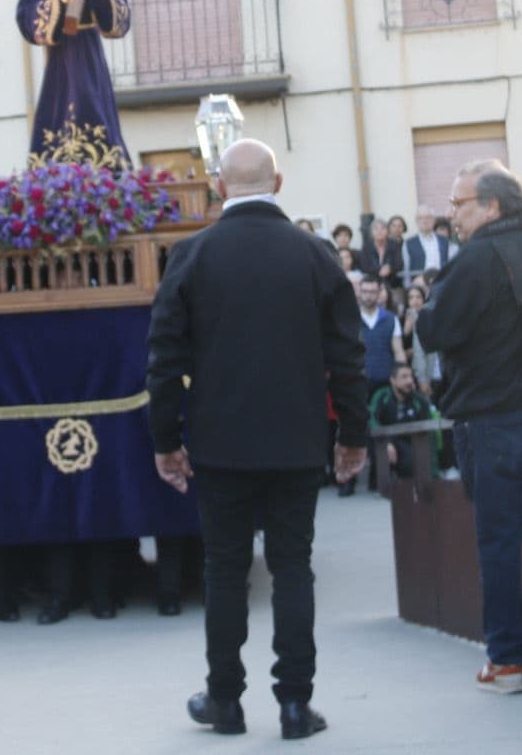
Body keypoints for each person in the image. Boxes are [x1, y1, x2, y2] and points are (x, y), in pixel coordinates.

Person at [146, 139, 366, 740]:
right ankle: (295, 704)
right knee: (294, 567)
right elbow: (348, 357)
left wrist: (166, 440)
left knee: (224, 570)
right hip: (297, 442)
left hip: (219, 445)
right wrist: (352, 435)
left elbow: (163, 359)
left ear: (220, 186)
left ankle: (225, 701)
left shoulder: (192, 256)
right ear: (279, 180)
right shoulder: (316, 255)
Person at [415, 158, 522, 695]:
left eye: (459, 204)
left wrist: (425, 307)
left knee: (497, 540)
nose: (452, 216)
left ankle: (507, 662)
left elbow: (434, 332)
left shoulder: (472, 261)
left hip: (491, 416)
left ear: (491, 205)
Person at [16, 0, 132, 165]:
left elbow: (119, 20)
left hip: (89, 56)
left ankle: (103, 163)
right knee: (57, 108)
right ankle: (54, 166)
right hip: (59, 59)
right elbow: (25, 15)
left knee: (91, 100)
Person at [370, 362, 438, 480]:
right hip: (384, 442)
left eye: (410, 376)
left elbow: (428, 433)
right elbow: (371, 419)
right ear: (393, 380)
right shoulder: (382, 396)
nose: (409, 381)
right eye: (404, 377)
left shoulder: (419, 400)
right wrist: (386, 442)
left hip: (410, 444)